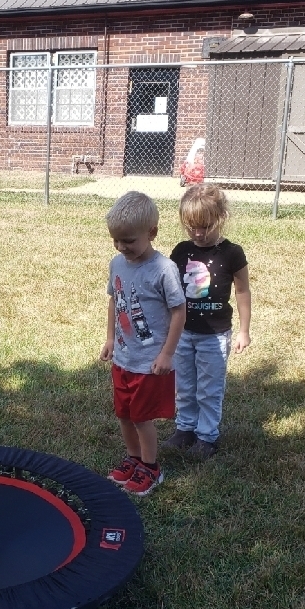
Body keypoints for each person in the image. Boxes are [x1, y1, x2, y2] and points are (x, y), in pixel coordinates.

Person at [99, 191, 186, 497]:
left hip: (150, 363)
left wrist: (167, 354)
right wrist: (110, 338)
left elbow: (179, 311)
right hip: (123, 358)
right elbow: (114, 301)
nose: (122, 247)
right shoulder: (117, 263)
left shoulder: (163, 269)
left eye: (129, 241)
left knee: (141, 416)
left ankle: (151, 466)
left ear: (152, 233)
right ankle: (133, 458)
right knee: (123, 414)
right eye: (117, 241)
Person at [165, 184, 251, 461]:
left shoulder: (232, 253)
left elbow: (242, 290)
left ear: (221, 218)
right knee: (184, 384)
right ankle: (185, 428)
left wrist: (244, 330)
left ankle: (207, 436)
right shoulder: (180, 252)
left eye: (205, 226)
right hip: (182, 334)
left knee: (209, 388)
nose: (198, 234)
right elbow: (168, 291)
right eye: (191, 227)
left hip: (214, 336)